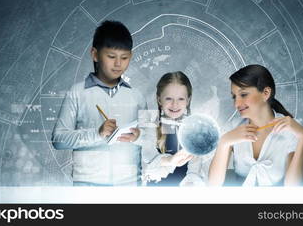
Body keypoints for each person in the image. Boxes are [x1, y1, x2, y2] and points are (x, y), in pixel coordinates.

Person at [51, 20, 146, 186]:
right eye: (111, 56)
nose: (118, 64)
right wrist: (97, 134)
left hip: (129, 188)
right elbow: (58, 139)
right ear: (95, 54)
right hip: (88, 188)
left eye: (124, 58)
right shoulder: (77, 93)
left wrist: (139, 136)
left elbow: (154, 139)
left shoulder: (137, 96)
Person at [208, 65, 303, 186]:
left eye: (243, 94)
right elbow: (213, 184)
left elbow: (293, 188)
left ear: (265, 93)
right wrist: (224, 142)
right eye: (234, 97)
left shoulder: (291, 131)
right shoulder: (232, 129)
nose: (237, 104)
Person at [142, 71, 211, 186]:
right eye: (169, 98)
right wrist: (170, 160)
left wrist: (191, 181)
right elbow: (146, 159)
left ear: (188, 100)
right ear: (159, 100)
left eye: (181, 99)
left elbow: (194, 169)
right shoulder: (149, 119)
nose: (175, 105)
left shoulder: (195, 126)